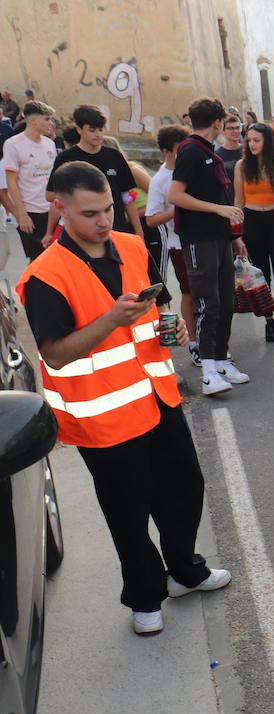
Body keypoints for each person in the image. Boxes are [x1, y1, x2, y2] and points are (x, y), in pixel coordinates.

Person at [16, 161, 230, 637]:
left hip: (157, 400)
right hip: (104, 418)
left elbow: (158, 308)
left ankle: (184, 571)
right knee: (128, 513)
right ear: (60, 208)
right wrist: (112, 320)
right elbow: (54, 355)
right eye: (90, 213)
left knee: (183, 489)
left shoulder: (133, 247)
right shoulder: (46, 275)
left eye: (109, 208)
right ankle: (144, 595)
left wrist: (167, 327)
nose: (103, 220)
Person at [168, 96, 249, 397]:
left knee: (226, 302)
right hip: (198, 239)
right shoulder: (189, 151)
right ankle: (209, 372)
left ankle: (222, 359)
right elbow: (176, 195)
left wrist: (233, 236)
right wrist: (218, 210)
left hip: (219, 238)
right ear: (217, 123)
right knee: (207, 304)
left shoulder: (207, 151)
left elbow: (221, 199)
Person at [234, 123, 274, 342]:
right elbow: (239, 201)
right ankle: (269, 320)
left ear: (267, 141)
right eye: (249, 140)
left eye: (256, 140)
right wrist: (237, 234)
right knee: (261, 274)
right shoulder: (242, 166)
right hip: (252, 221)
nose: (251, 144)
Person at [46, 105, 141, 237]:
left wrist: (138, 232)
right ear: (79, 129)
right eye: (92, 130)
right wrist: (49, 232)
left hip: (115, 229)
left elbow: (128, 198)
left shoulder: (115, 156)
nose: (98, 135)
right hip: (80, 232)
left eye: (101, 130)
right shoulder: (66, 158)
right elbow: (51, 195)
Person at [144, 125, 194, 357]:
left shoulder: (191, 170)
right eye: (178, 150)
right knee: (189, 293)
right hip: (177, 243)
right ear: (166, 151)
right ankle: (193, 342)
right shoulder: (160, 180)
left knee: (210, 295)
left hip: (203, 239)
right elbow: (152, 219)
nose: (183, 154)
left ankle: (210, 343)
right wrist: (179, 207)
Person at [2, 101, 56, 261]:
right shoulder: (13, 144)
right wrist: (21, 214)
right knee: (38, 259)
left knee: (54, 256)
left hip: (52, 210)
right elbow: (10, 181)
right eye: (47, 119)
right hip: (31, 212)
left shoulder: (50, 144)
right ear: (32, 120)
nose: (51, 123)